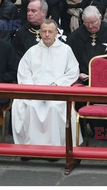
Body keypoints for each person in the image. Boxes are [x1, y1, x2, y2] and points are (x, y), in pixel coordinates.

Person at [13, 19, 80, 149]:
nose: (47, 34)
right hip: (34, 92)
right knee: (30, 107)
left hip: (57, 92)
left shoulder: (66, 50)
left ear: (56, 33)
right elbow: (23, 72)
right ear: (40, 33)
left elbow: (73, 71)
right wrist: (32, 87)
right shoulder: (32, 51)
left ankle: (55, 148)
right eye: (44, 31)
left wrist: (57, 84)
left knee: (54, 108)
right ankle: (30, 148)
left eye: (50, 31)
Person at [67, 5, 107, 83]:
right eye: (87, 23)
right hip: (81, 81)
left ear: (100, 18)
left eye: (93, 22)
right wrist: (77, 74)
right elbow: (68, 62)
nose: (90, 26)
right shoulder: (75, 37)